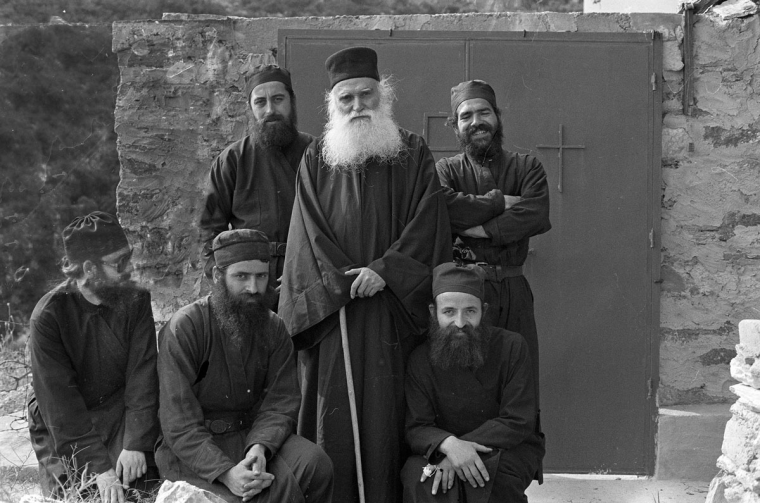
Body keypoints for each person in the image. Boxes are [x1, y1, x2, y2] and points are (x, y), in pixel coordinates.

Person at [278, 47, 452, 503]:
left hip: (395, 313)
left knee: (392, 419)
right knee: (334, 422)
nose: (358, 106)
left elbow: (428, 225)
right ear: (333, 104)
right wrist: (342, 282)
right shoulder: (316, 158)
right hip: (335, 317)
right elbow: (307, 235)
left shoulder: (412, 152)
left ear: (382, 95)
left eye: (366, 95)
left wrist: (384, 271)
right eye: (347, 98)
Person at [156, 229, 333, 503]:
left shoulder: (274, 327)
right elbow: (178, 422)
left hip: (252, 440)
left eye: (261, 276)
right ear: (218, 276)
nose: (253, 288)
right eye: (241, 276)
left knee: (314, 463)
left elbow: (280, 402)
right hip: (196, 451)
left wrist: (260, 447)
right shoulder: (186, 327)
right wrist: (225, 472)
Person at [28, 211, 159, 503]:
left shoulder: (137, 299)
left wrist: (135, 443)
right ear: (89, 268)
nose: (129, 269)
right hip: (63, 422)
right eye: (118, 263)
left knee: (140, 489)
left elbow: (143, 374)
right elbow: (60, 405)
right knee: (81, 495)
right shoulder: (48, 316)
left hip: (119, 411)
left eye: (128, 258)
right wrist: (99, 468)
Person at [436, 79, 551, 391]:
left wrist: (478, 228)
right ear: (455, 126)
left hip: (513, 290)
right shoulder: (445, 171)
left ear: (497, 117)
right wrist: (499, 203)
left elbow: (535, 214)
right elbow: (444, 210)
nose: (476, 121)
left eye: (484, 112)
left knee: (518, 377)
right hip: (464, 292)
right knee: (465, 382)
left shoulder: (527, 167)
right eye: (466, 116)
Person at [401, 262, 544, 503]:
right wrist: (448, 445)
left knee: (486, 476)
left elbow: (518, 420)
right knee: (421, 476)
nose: (460, 323)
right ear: (433, 312)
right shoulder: (419, 359)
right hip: (440, 450)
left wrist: (460, 449)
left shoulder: (512, 347)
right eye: (449, 312)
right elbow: (417, 427)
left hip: (503, 448)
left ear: (483, 311)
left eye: (470, 311)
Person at [200, 64, 313, 296]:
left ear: (292, 101)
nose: (270, 109)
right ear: (250, 108)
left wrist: (312, 272)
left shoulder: (316, 153)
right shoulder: (231, 160)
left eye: (278, 99)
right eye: (260, 102)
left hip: (309, 277)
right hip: (250, 283)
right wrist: (228, 280)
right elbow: (207, 232)